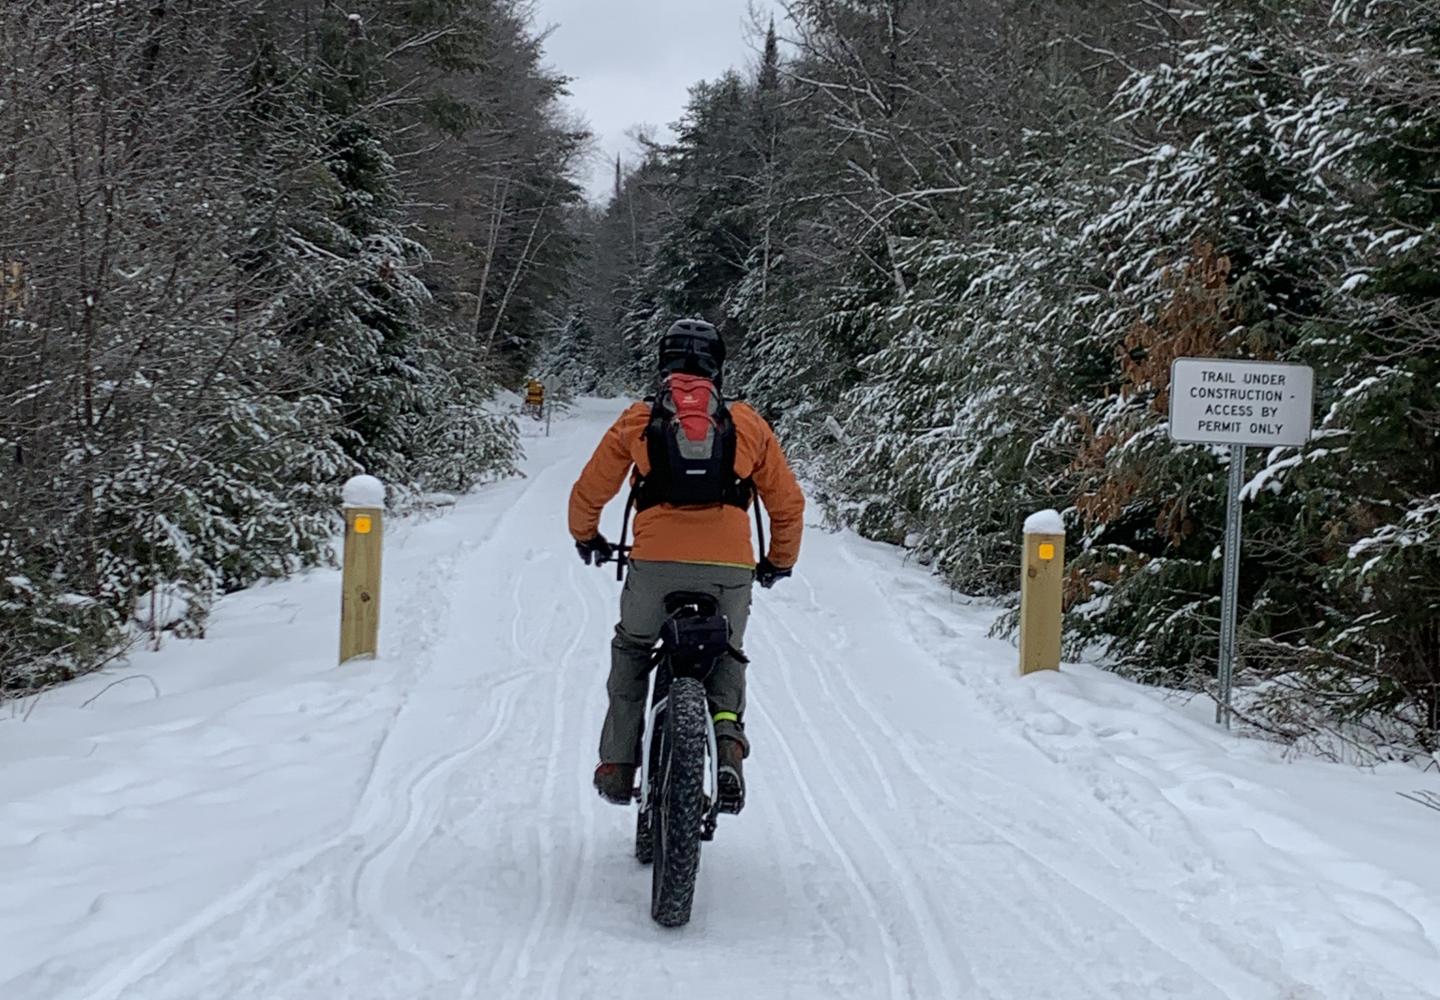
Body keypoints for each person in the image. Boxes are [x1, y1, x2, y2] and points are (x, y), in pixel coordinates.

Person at [567, 319, 804, 813]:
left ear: (663, 364)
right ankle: (728, 750)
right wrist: (778, 560)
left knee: (632, 648)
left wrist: (586, 534)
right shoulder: (748, 423)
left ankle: (617, 765)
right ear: (718, 367)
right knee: (728, 653)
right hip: (729, 568)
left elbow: (592, 488)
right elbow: (786, 504)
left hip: (655, 564)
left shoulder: (638, 419)